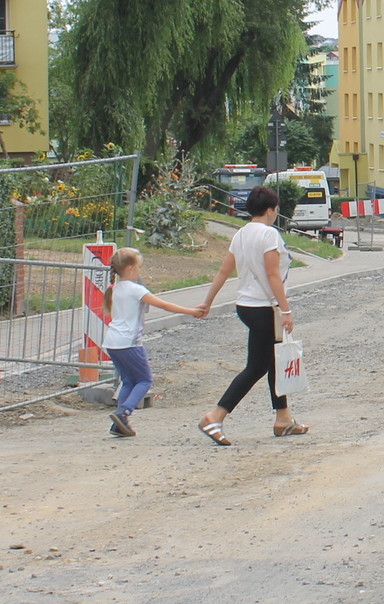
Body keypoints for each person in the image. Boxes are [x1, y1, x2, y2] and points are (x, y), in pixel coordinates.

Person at [195, 185, 308, 445]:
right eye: (276, 209)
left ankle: (283, 418)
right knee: (257, 366)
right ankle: (215, 416)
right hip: (264, 308)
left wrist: (207, 301)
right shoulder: (269, 235)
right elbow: (272, 275)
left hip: (245, 305)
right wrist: (286, 310)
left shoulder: (241, 234)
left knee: (273, 362)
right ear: (270, 210)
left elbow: (224, 272)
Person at [100, 247, 204, 438]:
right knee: (145, 380)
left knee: (129, 381)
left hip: (112, 342)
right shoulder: (135, 289)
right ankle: (123, 413)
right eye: (139, 267)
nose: (140, 271)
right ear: (130, 269)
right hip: (129, 342)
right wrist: (192, 311)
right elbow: (164, 305)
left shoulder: (115, 288)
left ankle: (120, 423)